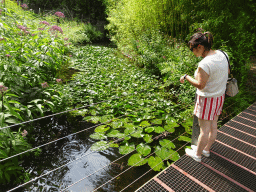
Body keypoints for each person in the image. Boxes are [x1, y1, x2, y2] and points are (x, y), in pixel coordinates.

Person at [180, 31, 229, 162]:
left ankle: (198, 155)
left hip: (206, 100)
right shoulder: (223, 54)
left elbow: (200, 85)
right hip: (219, 97)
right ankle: (206, 150)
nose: (192, 52)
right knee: (213, 126)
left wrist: (186, 77)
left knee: (204, 130)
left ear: (200, 47)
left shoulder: (205, 63)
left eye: (192, 49)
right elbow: (227, 72)